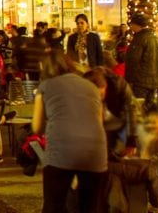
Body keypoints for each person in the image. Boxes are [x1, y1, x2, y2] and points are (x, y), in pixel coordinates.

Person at [32, 48, 107, 213]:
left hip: (62, 149)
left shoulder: (45, 86)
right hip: (96, 151)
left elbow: (36, 126)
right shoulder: (91, 87)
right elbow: (99, 121)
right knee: (89, 207)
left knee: (54, 205)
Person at [83, 67, 139, 158]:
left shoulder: (120, 85)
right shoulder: (85, 87)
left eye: (101, 94)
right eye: (94, 95)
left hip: (120, 119)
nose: (99, 98)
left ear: (105, 86)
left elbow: (131, 111)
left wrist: (132, 140)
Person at [125, 13, 158, 104]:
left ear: (136, 25)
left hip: (140, 82)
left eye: (131, 24)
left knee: (139, 107)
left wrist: (129, 79)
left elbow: (133, 60)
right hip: (153, 81)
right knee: (150, 107)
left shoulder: (139, 39)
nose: (131, 27)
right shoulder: (154, 38)